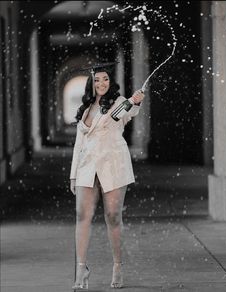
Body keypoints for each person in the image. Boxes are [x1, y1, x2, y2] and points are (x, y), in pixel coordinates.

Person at [69, 62, 144, 290]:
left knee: (112, 216)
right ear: (92, 82)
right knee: (82, 215)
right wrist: (73, 175)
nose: (101, 84)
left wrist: (134, 101)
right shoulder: (86, 108)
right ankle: (81, 269)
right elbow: (79, 144)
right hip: (86, 167)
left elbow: (120, 115)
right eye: (98, 79)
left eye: (106, 79)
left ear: (111, 82)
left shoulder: (119, 103)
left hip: (113, 165)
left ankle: (118, 266)